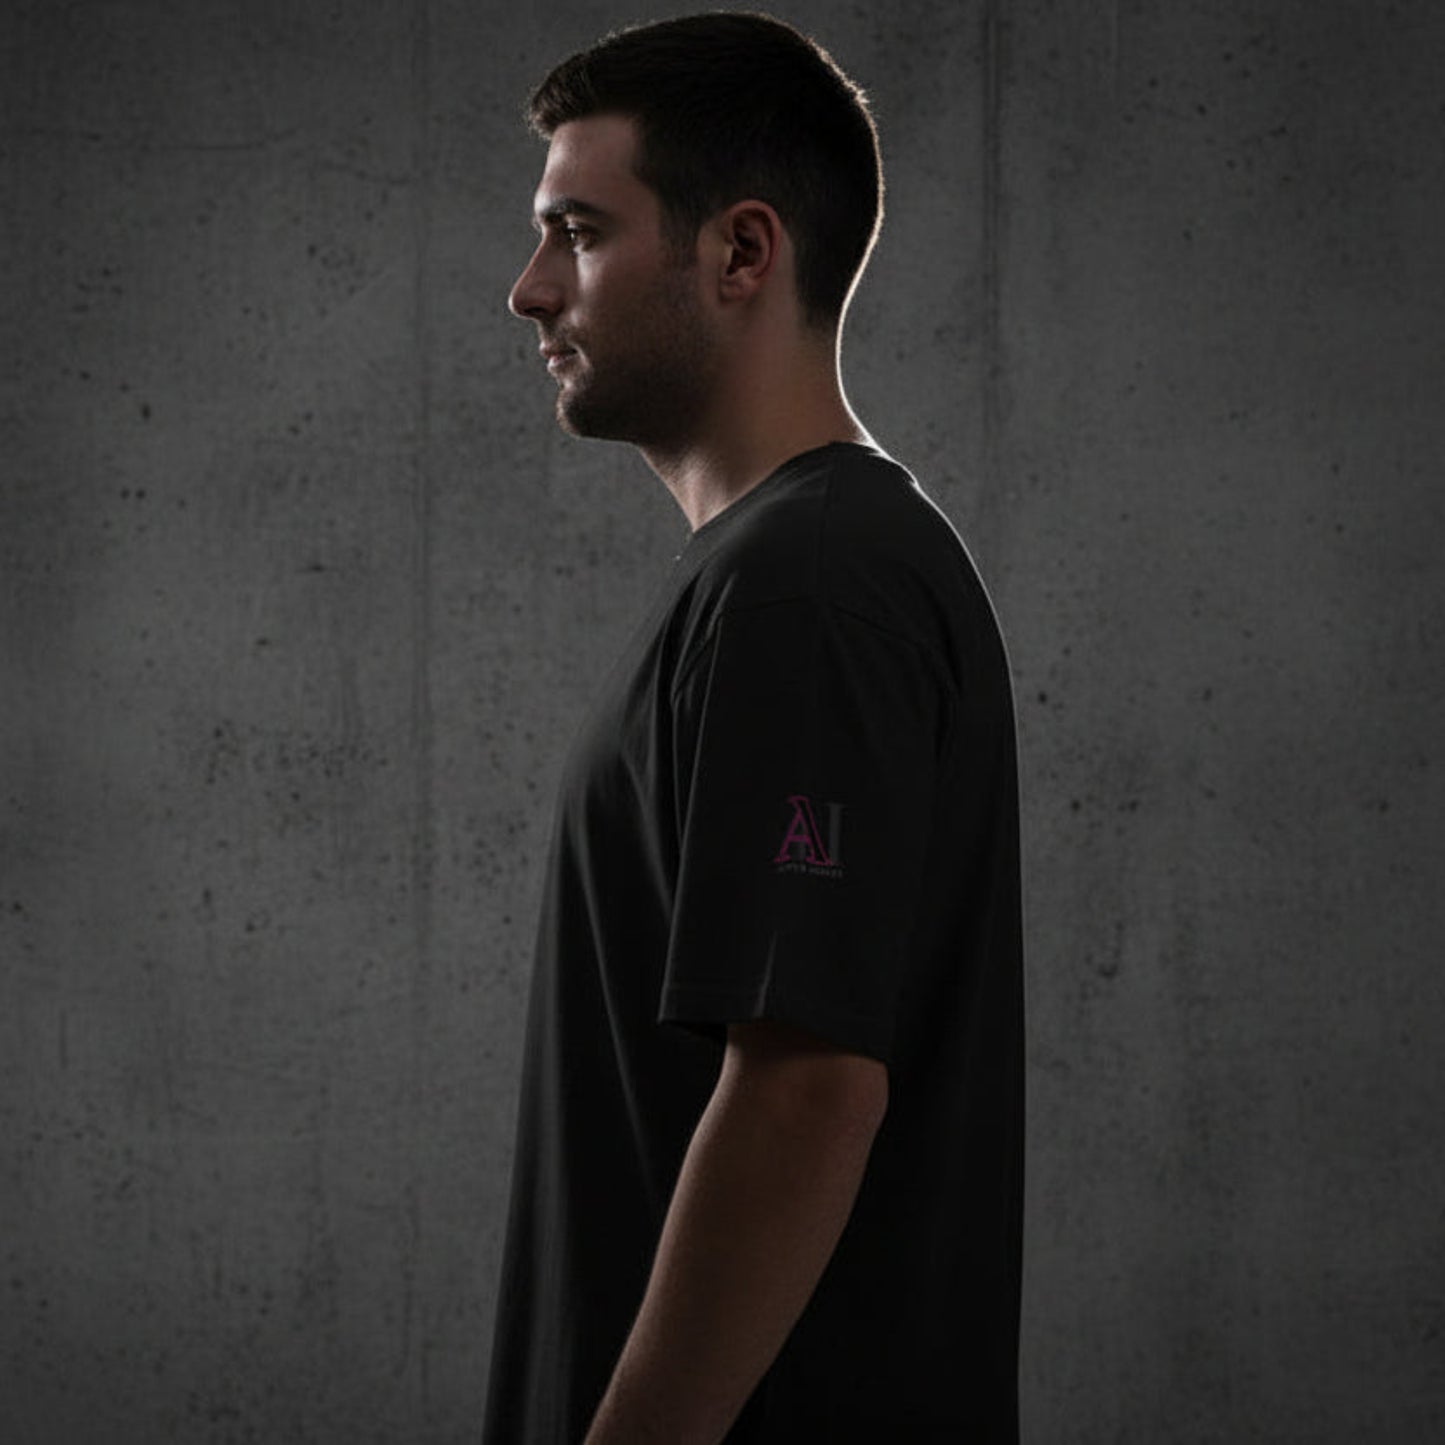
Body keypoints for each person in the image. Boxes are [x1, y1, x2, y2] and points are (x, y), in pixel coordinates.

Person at [483, 13, 1024, 1443]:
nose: (528, 289)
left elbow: (804, 1086)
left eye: (578, 234)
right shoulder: (784, 574)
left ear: (738, 252)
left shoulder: (813, 583)